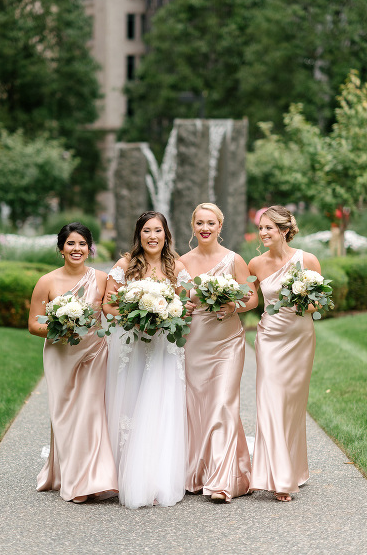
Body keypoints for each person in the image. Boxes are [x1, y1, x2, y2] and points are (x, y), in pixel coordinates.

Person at [105, 211, 191, 508]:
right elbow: (107, 304)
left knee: (162, 405)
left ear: (166, 234)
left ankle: (158, 479)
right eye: (146, 231)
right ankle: (126, 476)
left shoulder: (177, 266)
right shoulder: (125, 265)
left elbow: (187, 306)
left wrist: (168, 314)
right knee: (131, 404)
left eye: (158, 230)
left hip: (165, 346)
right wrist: (134, 317)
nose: (152, 236)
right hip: (134, 344)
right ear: (138, 235)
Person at [28, 222, 118, 503]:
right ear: (61, 249)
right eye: (70, 244)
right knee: (64, 414)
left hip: (93, 352)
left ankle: (88, 480)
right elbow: (32, 324)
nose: (76, 249)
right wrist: (59, 327)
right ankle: (68, 472)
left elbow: (113, 310)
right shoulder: (47, 281)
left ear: (89, 249)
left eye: (82, 244)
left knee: (90, 412)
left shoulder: (102, 278)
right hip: (60, 354)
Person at [180, 203, 257, 503]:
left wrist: (232, 304)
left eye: (210, 222)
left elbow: (251, 298)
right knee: (197, 407)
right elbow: (177, 302)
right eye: (199, 222)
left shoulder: (234, 259)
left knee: (224, 403)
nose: (205, 228)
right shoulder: (182, 262)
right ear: (192, 226)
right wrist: (183, 306)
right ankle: (198, 474)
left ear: (220, 226)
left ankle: (224, 480)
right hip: (194, 342)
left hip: (227, 342)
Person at [248, 205, 320, 502]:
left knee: (291, 407)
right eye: (261, 228)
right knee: (271, 403)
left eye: (269, 228)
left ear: (285, 231)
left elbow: (318, 304)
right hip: (269, 340)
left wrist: (302, 296)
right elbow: (250, 301)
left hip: (299, 339)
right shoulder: (255, 264)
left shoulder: (308, 260)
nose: (263, 233)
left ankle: (292, 468)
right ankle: (278, 477)